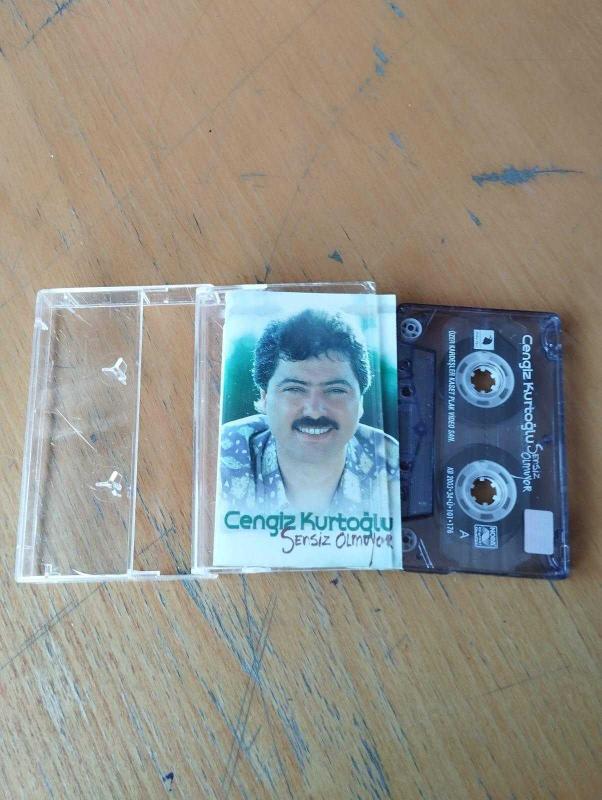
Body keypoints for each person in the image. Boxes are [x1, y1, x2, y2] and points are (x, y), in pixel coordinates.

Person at [219, 308, 399, 514]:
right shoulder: (224, 453)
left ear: (361, 402)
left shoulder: (390, 462)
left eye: (336, 390)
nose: (314, 411)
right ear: (264, 397)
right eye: (294, 389)